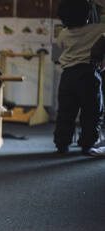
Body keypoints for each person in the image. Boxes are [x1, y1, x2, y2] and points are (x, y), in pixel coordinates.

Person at [53, 0, 105, 154]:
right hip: (89, 75)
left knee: (65, 112)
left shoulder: (63, 33)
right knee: (92, 112)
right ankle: (87, 144)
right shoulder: (99, 29)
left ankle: (62, 144)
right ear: (87, 14)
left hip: (68, 76)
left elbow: (61, 47)